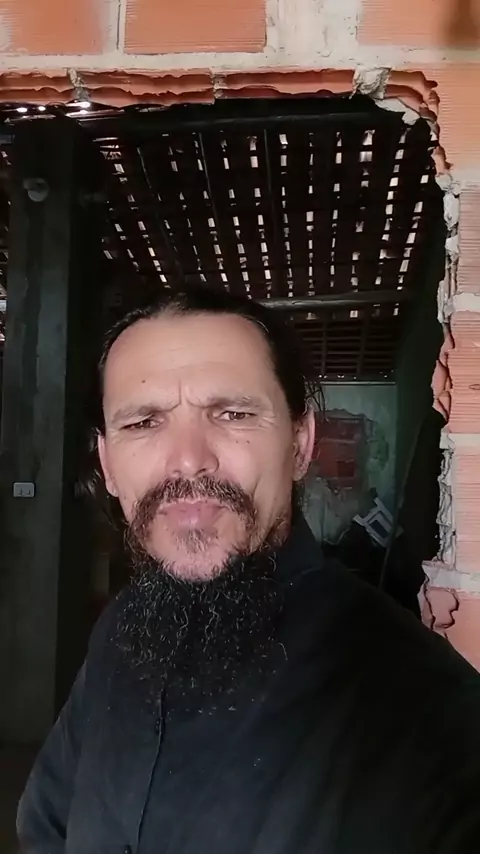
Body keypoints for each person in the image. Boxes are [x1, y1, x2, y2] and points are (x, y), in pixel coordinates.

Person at [18, 286, 480, 854]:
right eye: (143, 422)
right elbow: (46, 823)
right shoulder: (120, 629)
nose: (189, 459)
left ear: (301, 444)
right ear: (108, 464)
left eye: (233, 414)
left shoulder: (427, 709)